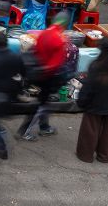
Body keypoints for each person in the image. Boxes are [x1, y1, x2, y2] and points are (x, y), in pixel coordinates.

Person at [17, 12, 69, 142]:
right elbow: (54, 65)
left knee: (44, 103)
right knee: (41, 105)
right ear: (65, 24)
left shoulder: (44, 32)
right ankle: (24, 131)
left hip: (37, 70)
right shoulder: (60, 40)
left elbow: (35, 50)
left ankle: (44, 126)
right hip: (47, 77)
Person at [76, 39, 108, 163]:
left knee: (90, 131)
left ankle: (85, 155)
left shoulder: (96, 65)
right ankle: (105, 156)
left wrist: (82, 101)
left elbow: (88, 87)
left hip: (95, 105)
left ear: (100, 49)